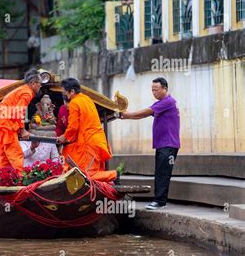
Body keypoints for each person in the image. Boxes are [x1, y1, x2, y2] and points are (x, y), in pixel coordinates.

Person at [121, 77, 180, 210]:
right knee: (159, 172)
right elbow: (143, 115)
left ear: (165, 89)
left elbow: (146, 112)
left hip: (169, 145)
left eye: (156, 90)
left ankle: (160, 202)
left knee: (163, 173)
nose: (154, 93)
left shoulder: (168, 102)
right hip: (162, 145)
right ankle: (158, 201)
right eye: (152, 90)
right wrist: (125, 117)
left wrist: (126, 115)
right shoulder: (162, 104)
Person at [57, 78, 118, 183]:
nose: (64, 96)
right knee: (93, 171)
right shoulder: (87, 99)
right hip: (96, 141)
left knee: (87, 175)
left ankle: (115, 175)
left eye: (65, 93)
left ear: (72, 91)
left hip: (90, 142)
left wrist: (64, 137)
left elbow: (73, 127)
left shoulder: (74, 102)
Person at [0, 68, 42, 173]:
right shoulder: (27, 93)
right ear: (33, 83)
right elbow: (18, 112)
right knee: (16, 153)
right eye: (39, 83)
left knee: (4, 157)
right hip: (5, 124)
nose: (40, 86)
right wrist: (22, 130)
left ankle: (2, 179)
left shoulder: (21, 90)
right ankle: (20, 180)